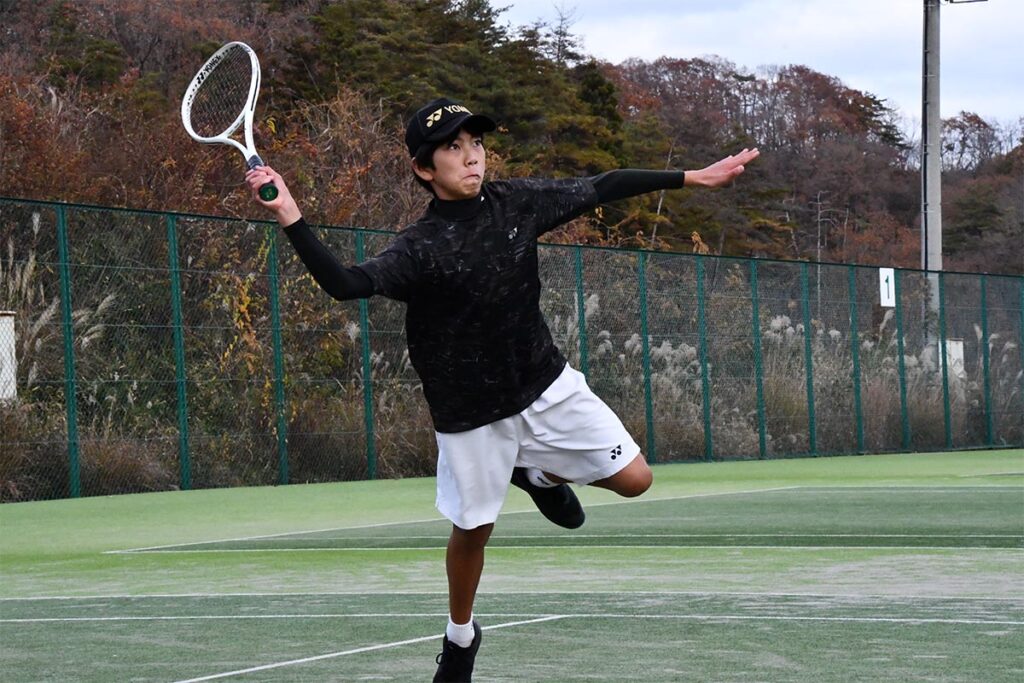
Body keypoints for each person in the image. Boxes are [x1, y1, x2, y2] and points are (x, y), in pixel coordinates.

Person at [247, 97, 759, 682]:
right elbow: (345, 284)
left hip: (543, 384)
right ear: (424, 169)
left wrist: (694, 176)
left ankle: (537, 475)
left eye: (477, 143)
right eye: (454, 147)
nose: (472, 157)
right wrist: (289, 213)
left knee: (636, 480)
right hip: (471, 413)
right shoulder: (418, 247)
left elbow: (604, 184)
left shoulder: (517, 202)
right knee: (473, 531)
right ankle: (459, 638)